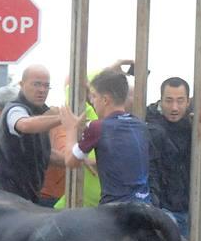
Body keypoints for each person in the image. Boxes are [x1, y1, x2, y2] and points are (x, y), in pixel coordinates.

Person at [59, 69, 149, 204]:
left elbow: (71, 161)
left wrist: (71, 129)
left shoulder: (97, 127)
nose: (92, 101)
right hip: (144, 203)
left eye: (94, 96)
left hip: (115, 209)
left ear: (105, 100)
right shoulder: (140, 126)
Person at [0, 65, 62, 203]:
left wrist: (78, 157)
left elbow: (46, 154)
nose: (42, 90)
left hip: (25, 198)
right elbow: (24, 125)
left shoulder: (40, 113)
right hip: (3, 199)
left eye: (46, 86)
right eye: (36, 84)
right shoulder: (15, 109)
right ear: (21, 84)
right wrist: (61, 119)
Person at [146, 77, 194, 237]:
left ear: (188, 102)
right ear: (161, 100)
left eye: (180, 101)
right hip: (161, 208)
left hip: (188, 208)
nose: (174, 107)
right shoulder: (149, 124)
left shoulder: (195, 126)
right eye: (169, 101)